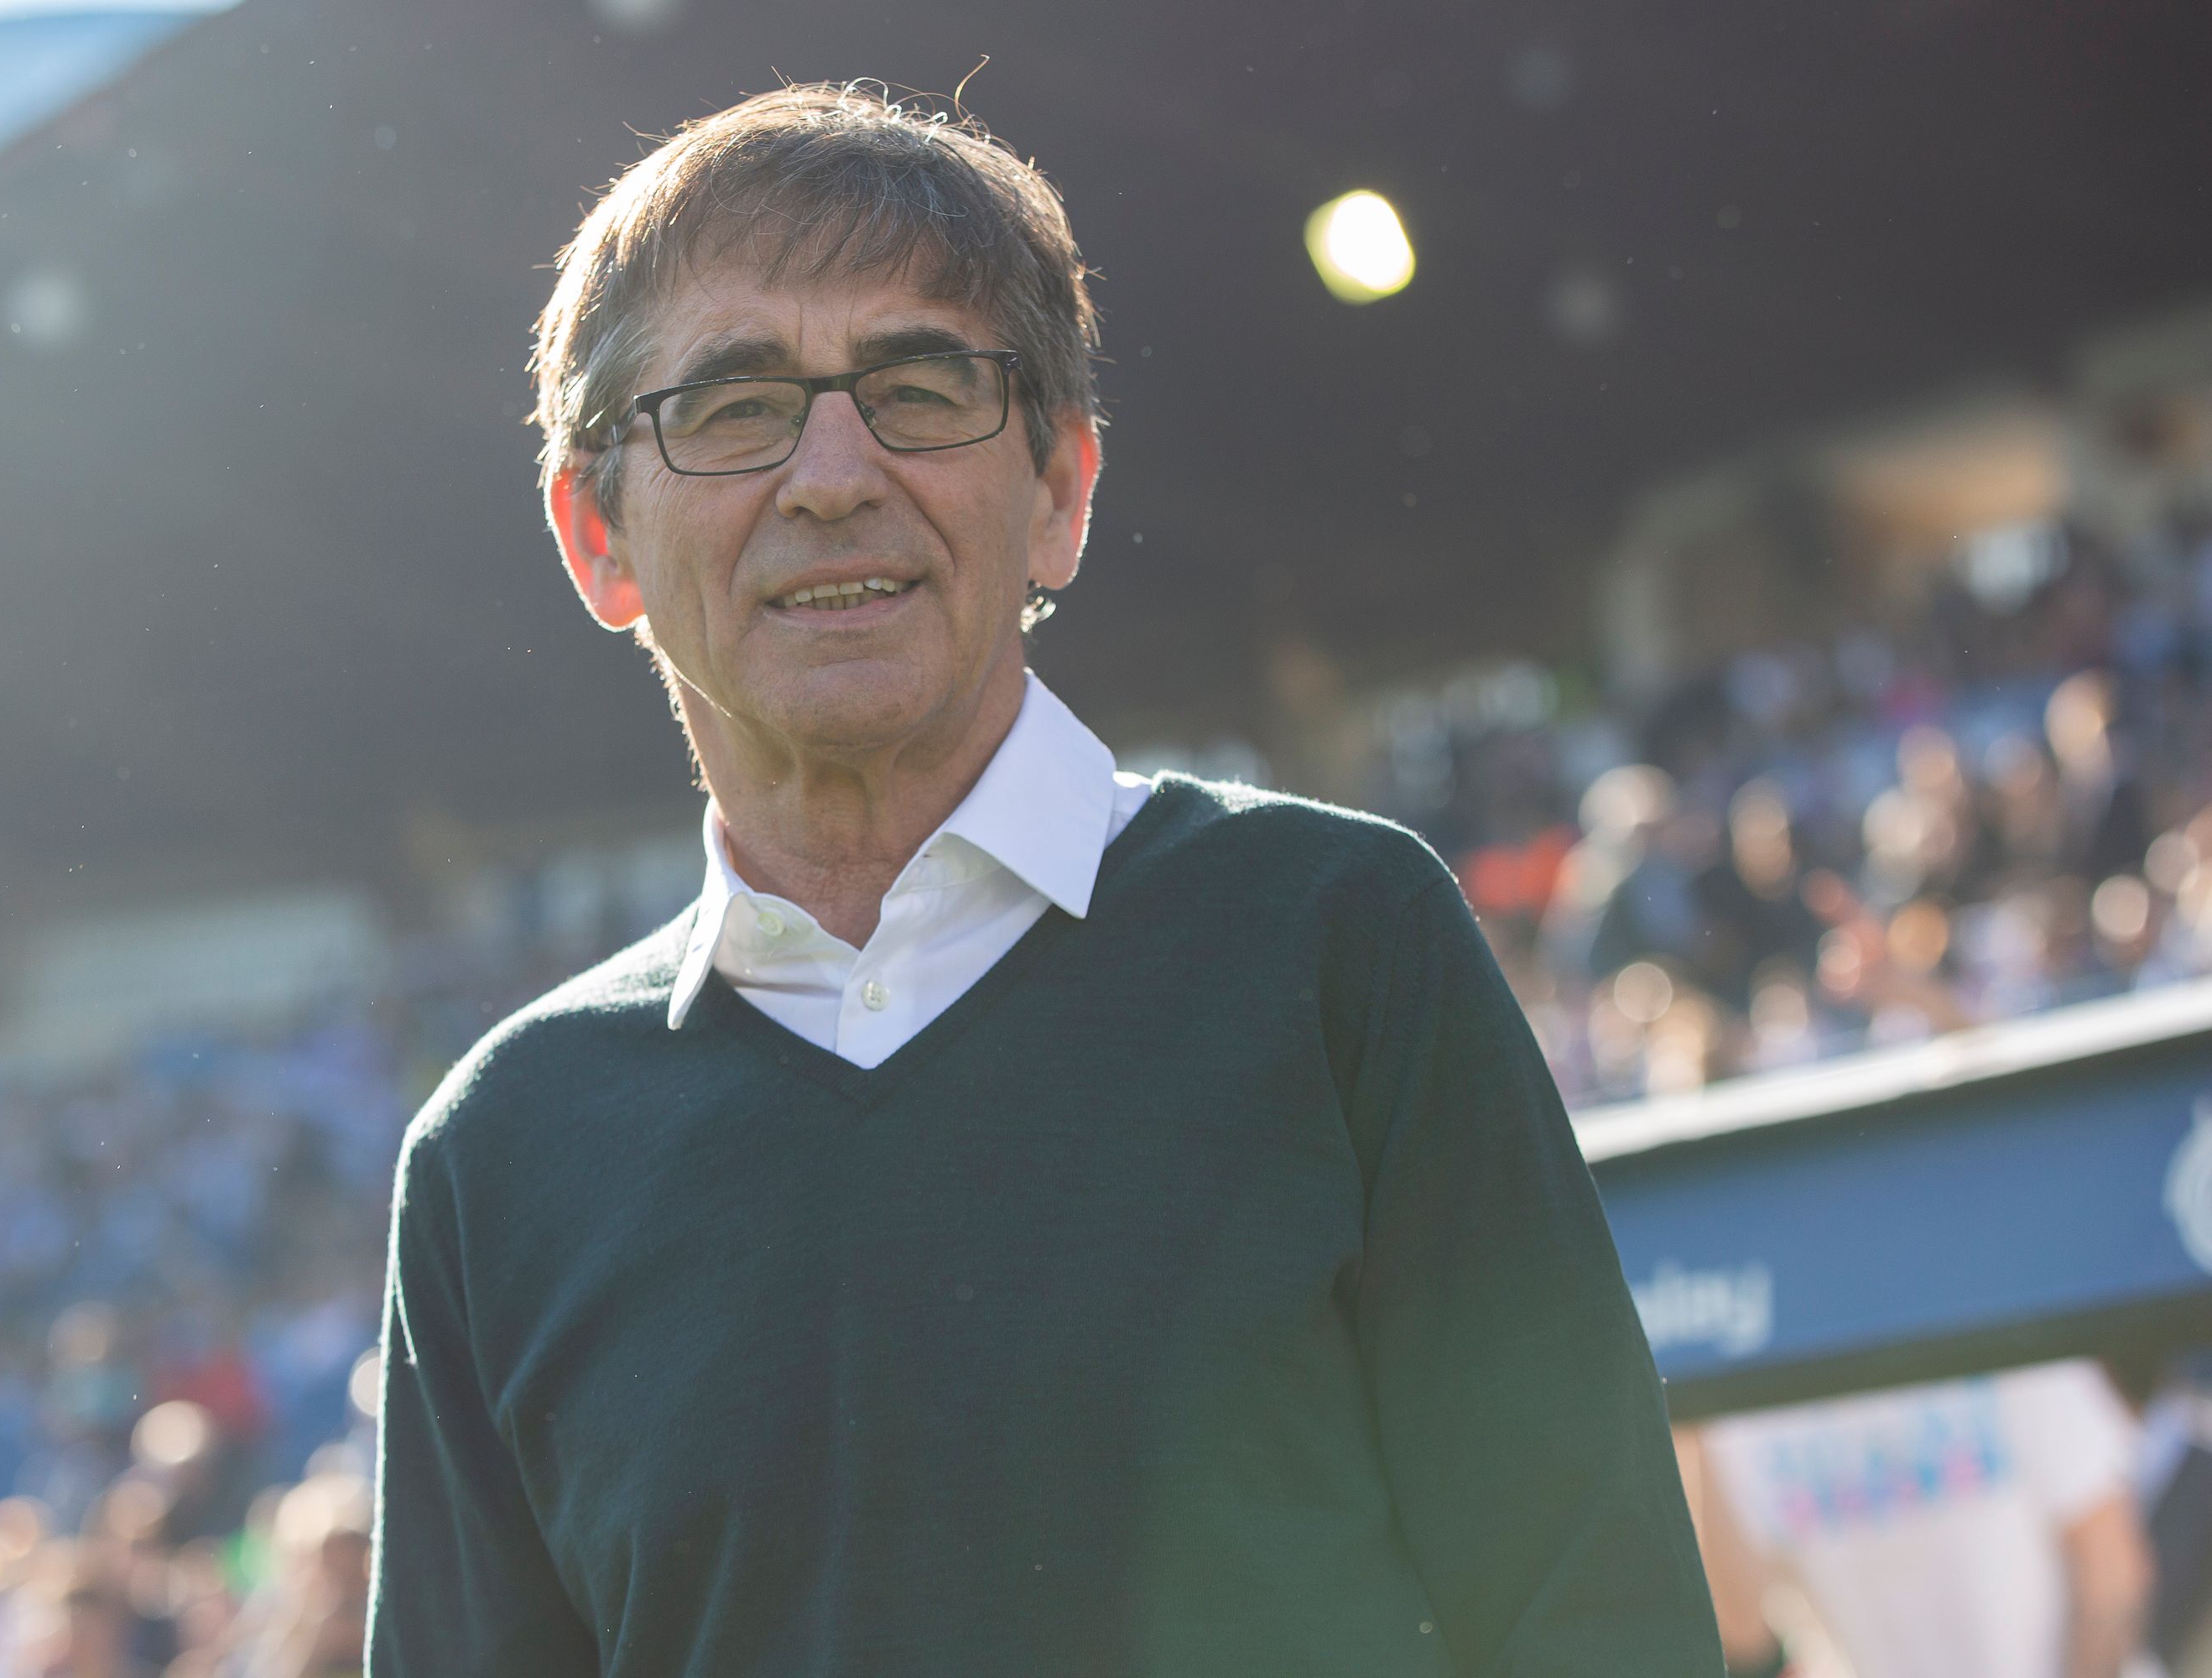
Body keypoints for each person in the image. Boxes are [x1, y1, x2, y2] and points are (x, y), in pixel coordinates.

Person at [367, 81, 1723, 1675]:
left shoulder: (1337, 939)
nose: (830, 474)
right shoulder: (496, 1158)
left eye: (918, 385)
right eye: (732, 409)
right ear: (597, 538)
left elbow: (1598, 1616)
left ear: (1064, 490)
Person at [1689, 1359, 2157, 1678]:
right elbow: (1743, 1636)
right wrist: (1679, 1412)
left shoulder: (2001, 1331)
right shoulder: (1748, 1396)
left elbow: (2111, 1572)